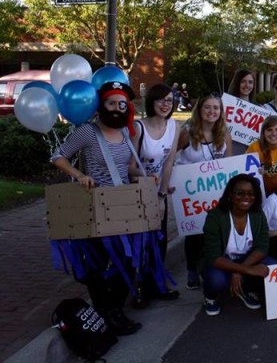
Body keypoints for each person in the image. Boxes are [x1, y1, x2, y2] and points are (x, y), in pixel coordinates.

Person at [51, 82, 155, 336]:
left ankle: (114, 311)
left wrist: (145, 175)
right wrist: (78, 175)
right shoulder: (88, 132)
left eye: (122, 104)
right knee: (97, 265)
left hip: (123, 205)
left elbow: (124, 168)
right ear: (101, 105)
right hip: (96, 205)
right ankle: (109, 314)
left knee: (130, 262)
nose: (118, 108)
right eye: (112, 103)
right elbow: (57, 156)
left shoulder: (125, 134)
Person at [130, 83, 182, 308]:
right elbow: (129, 166)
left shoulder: (174, 127)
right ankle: (138, 288)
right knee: (140, 242)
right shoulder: (138, 127)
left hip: (158, 193)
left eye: (169, 100)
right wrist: (146, 174)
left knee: (159, 240)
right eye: (161, 100)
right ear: (151, 101)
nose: (165, 104)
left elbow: (169, 162)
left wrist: (162, 195)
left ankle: (156, 284)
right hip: (137, 191)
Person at [177, 93, 234, 290]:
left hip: (215, 191)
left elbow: (229, 164)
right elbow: (170, 159)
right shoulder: (187, 132)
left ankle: (212, 266)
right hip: (190, 192)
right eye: (207, 107)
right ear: (199, 110)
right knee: (193, 233)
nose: (212, 111)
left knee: (214, 231)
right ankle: (192, 270)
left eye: (216, 108)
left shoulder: (224, 134)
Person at [201, 174, 275, 316]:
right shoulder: (215, 217)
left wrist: (240, 270)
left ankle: (247, 288)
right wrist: (247, 270)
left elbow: (262, 247)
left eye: (251, 193)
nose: (246, 197)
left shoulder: (258, 215)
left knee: (271, 266)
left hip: (247, 259)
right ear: (230, 194)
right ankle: (209, 297)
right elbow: (213, 257)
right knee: (216, 280)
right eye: (240, 193)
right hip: (222, 262)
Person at [245, 115, 277, 197]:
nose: (273, 134)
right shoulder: (255, 147)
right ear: (263, 132)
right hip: (257, 192)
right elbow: (245, 172)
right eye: (269, 130)